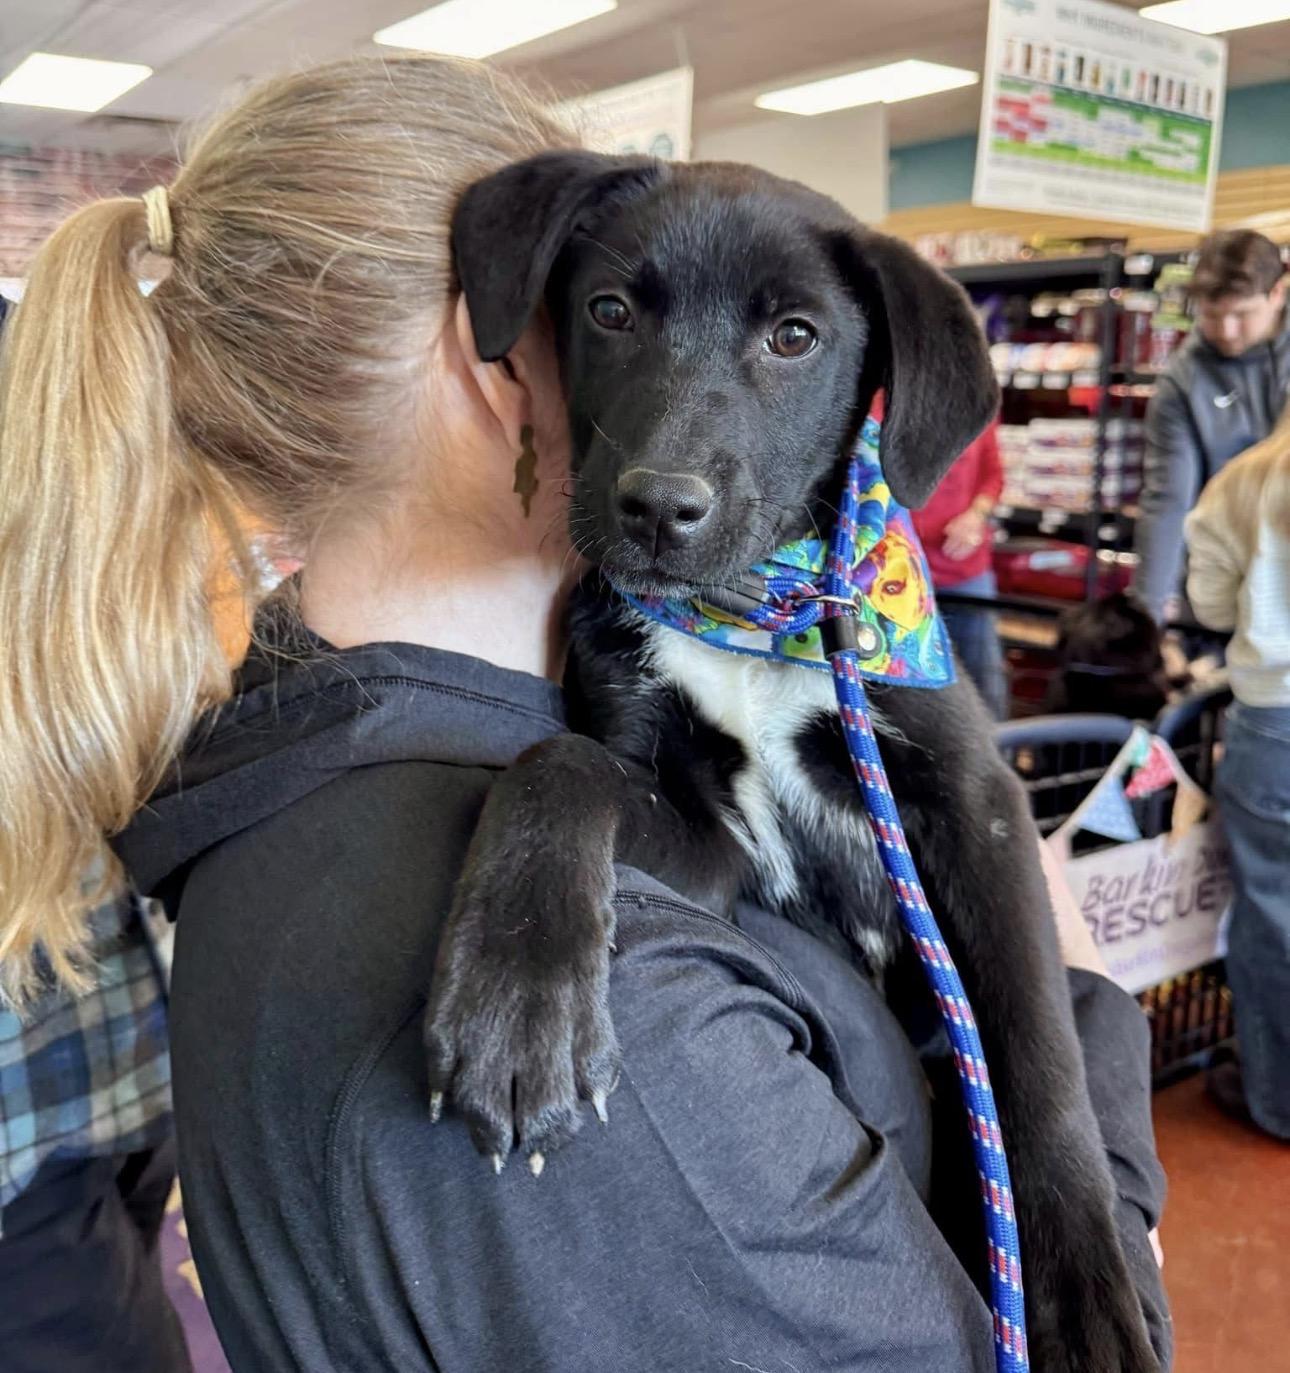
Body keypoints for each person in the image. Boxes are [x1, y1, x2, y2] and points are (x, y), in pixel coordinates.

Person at [0, 54, 1170, 1371]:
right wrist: (1092, 1042)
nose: (673, 415)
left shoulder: (283, 761)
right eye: (606, 314)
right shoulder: (631, 1021)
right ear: (499, 355)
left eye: (781, 341)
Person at [1185, 408, 1290, 1140]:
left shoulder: (1247, 477)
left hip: (1275, 724)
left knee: (1274, 916)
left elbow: (1211, 603)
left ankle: (1278, 1098)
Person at [1134, 228, 1290, 621]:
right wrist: (1149, 615)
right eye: (1212, 315)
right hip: (1224, 581)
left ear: (1278, 293)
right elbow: (1168, 499)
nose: (1226, 331)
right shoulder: (1182, 381)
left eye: (1242, 314)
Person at [911, 418, 1009, 718]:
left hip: (964, 566)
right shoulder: (878, 402)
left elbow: (993, 476)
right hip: (901, 570)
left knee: (983, 673)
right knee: (910, 677)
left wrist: (976, 516)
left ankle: (998, 742)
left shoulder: (978, 405)